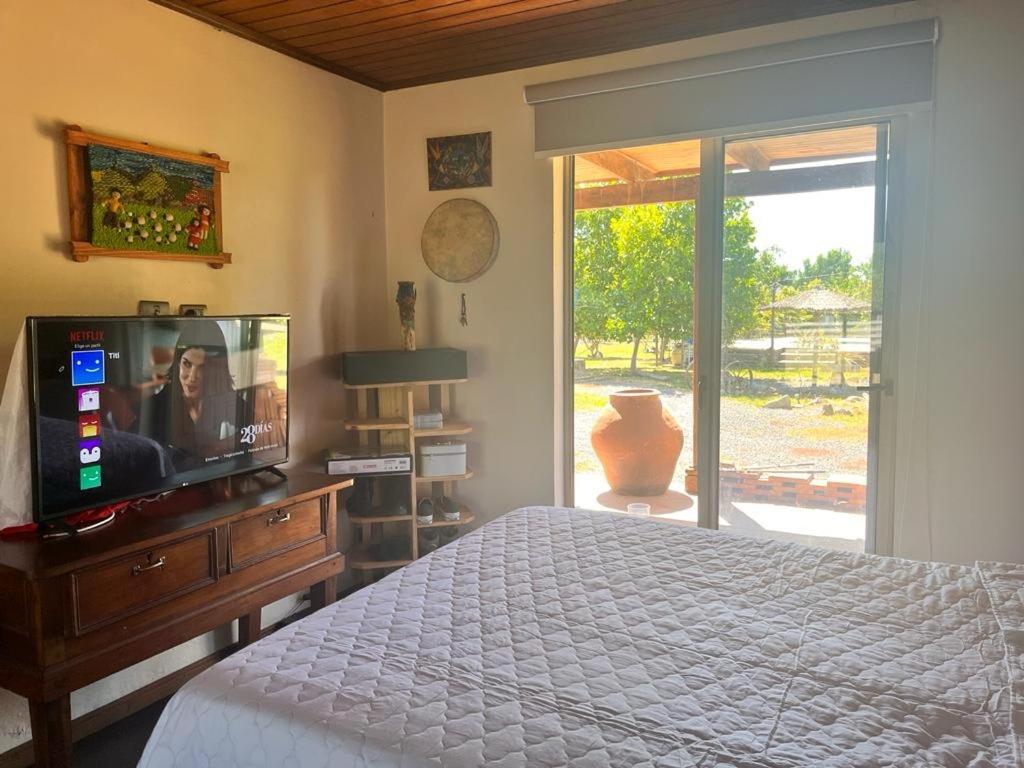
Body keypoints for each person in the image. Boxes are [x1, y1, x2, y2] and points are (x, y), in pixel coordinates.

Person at [147, 322, 243, 470]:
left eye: (203, 368)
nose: (192, 377)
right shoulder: (154, 408)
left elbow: (254, 430)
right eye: (187, 364)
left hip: (220, 483)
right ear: (178, 363)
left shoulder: (226, 398)